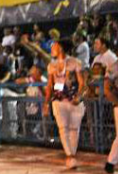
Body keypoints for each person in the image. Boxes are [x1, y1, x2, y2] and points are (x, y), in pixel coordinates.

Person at [45, 39, 87, 170]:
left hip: (73, 99)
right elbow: (50, 85)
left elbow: (82, 83)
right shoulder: (51, 65)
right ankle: (69, 155)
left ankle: (72, 155)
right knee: (63, 128)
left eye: (54, 46)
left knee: (74, 129)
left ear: (61, 48)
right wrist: (46, 102)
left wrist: (78, 96)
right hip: (58, 99)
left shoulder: (75, 62)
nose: (52, 48)